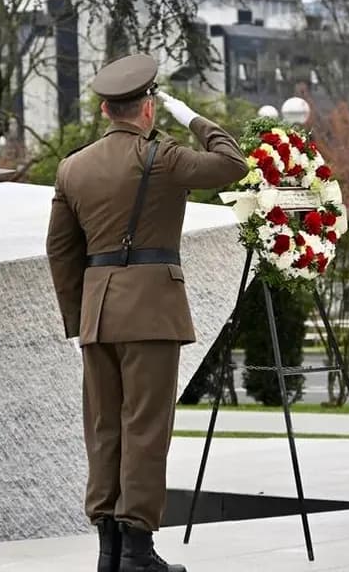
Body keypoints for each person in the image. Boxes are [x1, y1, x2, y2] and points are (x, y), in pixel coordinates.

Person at [45, 53, 247, 572]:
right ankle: (137, 551)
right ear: (148, 108)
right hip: (152, 310)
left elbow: (61, 251)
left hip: (98, 314)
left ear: (108, 109)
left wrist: (79, 319)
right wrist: (195, 118)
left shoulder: (72, 167)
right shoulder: (162, 156)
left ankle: (108, 551)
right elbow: (232, 163)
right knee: (145, 428)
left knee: (104, 428)